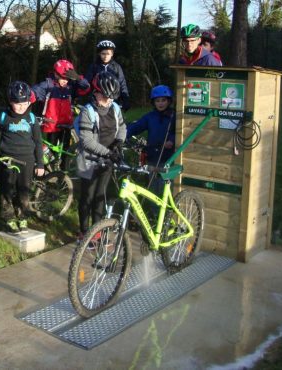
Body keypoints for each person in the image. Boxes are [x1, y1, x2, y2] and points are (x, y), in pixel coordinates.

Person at [0, 81, 45, 233]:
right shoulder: (3, 116)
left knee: (23, 190)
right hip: (7, 160)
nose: (21, 107)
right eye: (17, 103)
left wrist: (40, 164)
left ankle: (23, 216)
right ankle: (8, 218)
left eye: (24, 103)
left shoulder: (31, 118)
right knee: (7, 189)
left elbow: (38, 142)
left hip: (28, 160)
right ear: (10, 102)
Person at [75, 72, 126, 241]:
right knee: (87, 196)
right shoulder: (87, 112)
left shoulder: (115, 108)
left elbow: (123, 127)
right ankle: (84, 232)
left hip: (108, 159)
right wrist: (109, 153)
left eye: (112, 97)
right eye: (105, 97)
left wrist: (119, 142)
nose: (109, 101)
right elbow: (87, 141)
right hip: (89, 160)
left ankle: (96, 231)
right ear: (95, 93)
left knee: (100, 195)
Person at [32, 59, 90, 161]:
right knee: (50, 153)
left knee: (65, 153)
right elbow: (35, 91)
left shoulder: (70, 86)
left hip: (66, 125)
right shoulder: (48, 85)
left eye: (68, 78)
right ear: (55, 74)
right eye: (63, 78)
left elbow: (86, 87)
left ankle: (63, 171)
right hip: (51, 126)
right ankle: (49, 172)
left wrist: (77, 77)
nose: (65, 81)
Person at [126, 85, 176, 196]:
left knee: (165, 187)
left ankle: (167, 212)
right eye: (157, 101)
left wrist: (172, 140)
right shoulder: (150, 117)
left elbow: (179, 132)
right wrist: (124, 133)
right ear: (154, 102)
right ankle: (153, 212)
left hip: (168, 158)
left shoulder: (174, 116)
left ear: (169, 101)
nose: (161, 103)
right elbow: (137, 126)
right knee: (153, 188)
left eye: (163, 100)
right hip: (152, 156)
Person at [84, 40, 130, 110]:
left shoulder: (116, 67)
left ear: (112, 54)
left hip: (113, 99)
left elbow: (122, 83)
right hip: (98, 100)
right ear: (99, 53)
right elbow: (88, 82)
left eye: (108, 54)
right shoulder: (93, 66)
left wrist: (125, 99)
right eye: (103, 53)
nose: (105, 56)